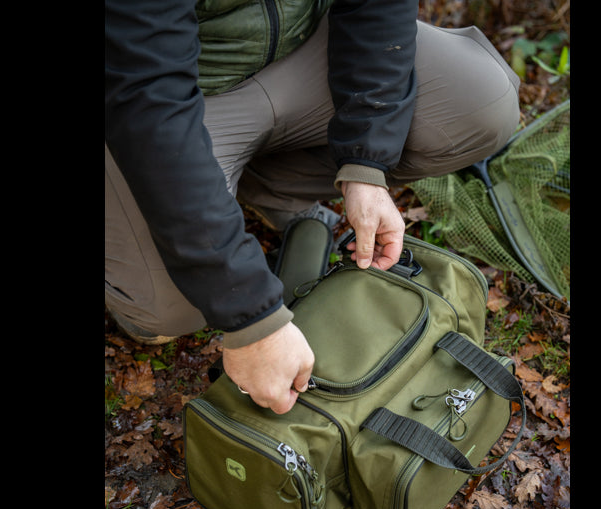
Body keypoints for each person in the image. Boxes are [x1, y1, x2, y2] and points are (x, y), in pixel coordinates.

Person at [105, 0, 520, 415]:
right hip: (166, 92)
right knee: (173, 308)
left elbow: (378, 8)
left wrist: (366, 163)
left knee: (483, 102)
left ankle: (264, 185)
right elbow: (150, 99)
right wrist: (252, 320)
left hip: (303, 48)